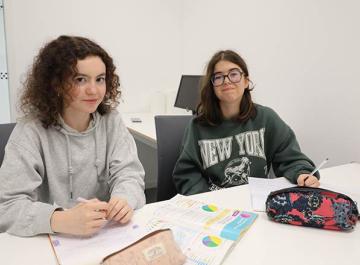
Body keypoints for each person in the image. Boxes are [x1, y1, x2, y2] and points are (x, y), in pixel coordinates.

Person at [0, 35, 146, 237]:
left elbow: (129, 174)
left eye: (100, 79)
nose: (93, 90)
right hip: (51, 239)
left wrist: (124, 199)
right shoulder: (31, 131)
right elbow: (7, 207)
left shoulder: (111, 121)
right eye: (80, 79)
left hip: (104, 235)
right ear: (56, 84)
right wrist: (59, 219)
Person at [173, 50, 320, 195]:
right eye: (218, 77)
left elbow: (291, 158)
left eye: (234, 74)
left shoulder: (266, 118)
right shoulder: (197, 127)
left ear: (246, 81)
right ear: (212, 86)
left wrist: (302, 173)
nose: (227, 81)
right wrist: (209, 200)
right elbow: (186, 174)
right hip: (216, 207)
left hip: (257, 201)